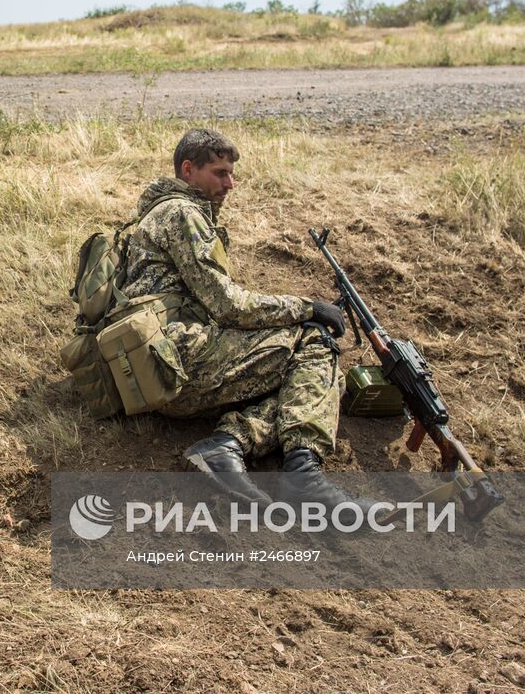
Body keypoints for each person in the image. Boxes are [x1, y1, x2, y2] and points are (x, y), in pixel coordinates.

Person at [120, 128, 367, 508]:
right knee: (313, 342)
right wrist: (308, 307)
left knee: (296, 380)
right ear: (188, 170)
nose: (230, 183)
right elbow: (228, 305)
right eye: (219, 173)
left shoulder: (160, 213)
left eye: (231, 173)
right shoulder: (183, 214)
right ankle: (302, 474)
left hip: (156, 365)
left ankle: (229, 443)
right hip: (177, 361)